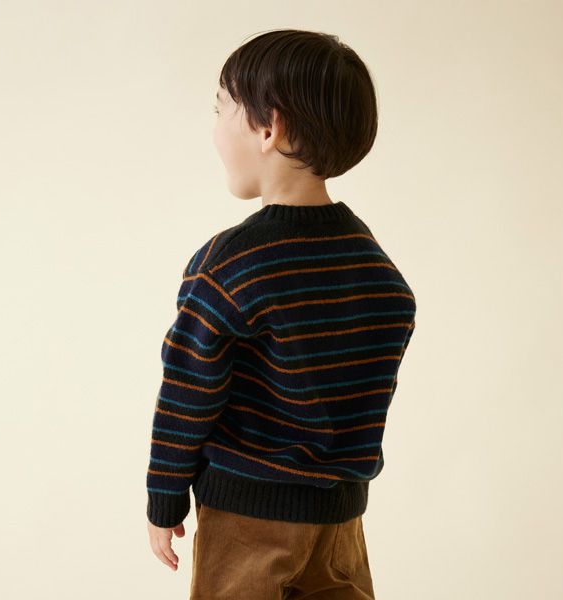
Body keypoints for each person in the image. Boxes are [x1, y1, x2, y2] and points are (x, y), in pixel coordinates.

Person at [145, 28, 417, 599]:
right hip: (341, 522)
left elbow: (188, 391)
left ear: (269, 128)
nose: (214, 129)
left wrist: (164, 497)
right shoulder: (373, 264)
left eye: (220, 108)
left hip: (247, 519)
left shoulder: (231, 263)